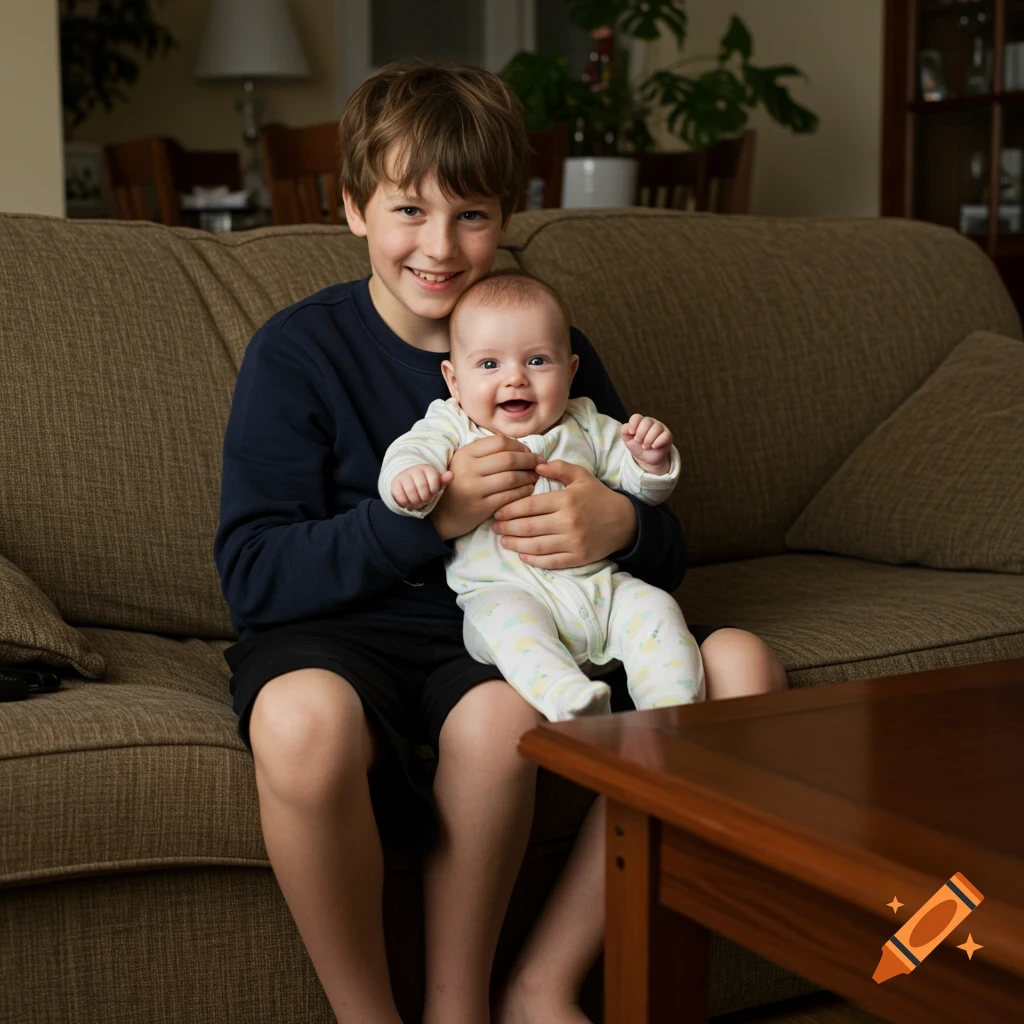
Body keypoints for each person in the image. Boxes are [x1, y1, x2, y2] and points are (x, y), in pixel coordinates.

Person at [214, 61, 788, 1024]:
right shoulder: (298, 352)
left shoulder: (545, 344)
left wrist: (624, 522)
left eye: (472, 215)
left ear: (509, 215)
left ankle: (497, 996)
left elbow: (653, 540)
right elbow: (253, 575)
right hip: (336, 634)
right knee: (302, 724)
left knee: (512, 719)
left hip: (496, 637)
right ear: (354, 209)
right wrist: (425, 523)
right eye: (408, 211)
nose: (440, 247)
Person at [379, 270, 705, 722]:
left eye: (536, 362)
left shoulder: (586, 422)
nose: (515, 380)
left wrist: (651, 461)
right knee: (510, 630)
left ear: (570, 371)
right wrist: (410, 479)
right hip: (504, 593)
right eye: (489, 365)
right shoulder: (452, 426)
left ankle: (673, 713)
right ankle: (569, 699)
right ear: (454, 381)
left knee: (656, 608)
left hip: (599, 589)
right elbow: (411, 452)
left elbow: (639, 489)